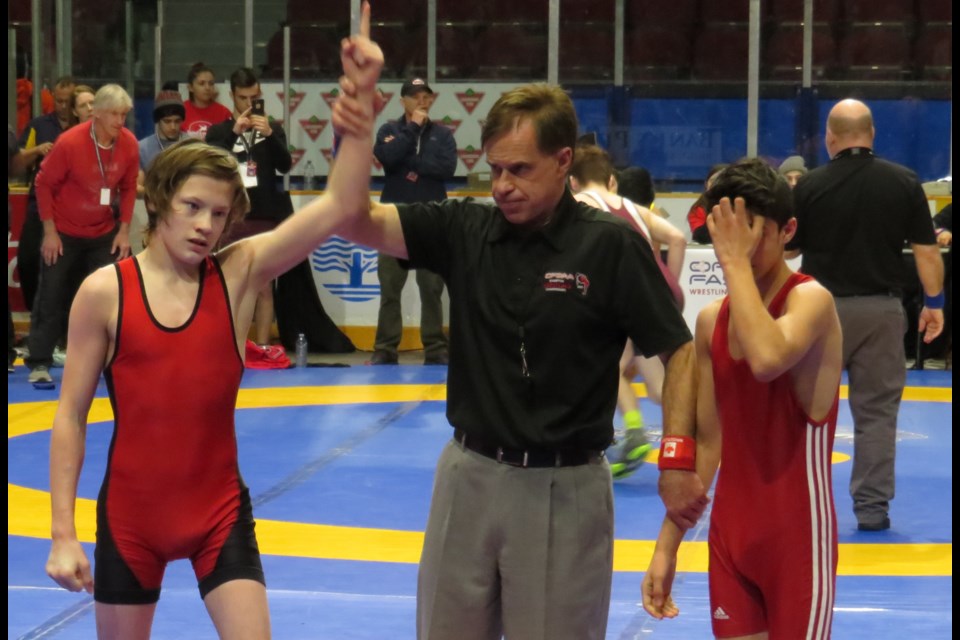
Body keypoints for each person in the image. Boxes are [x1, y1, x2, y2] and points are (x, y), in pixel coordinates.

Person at [44, 7, 382, 636]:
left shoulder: (237, 274)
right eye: (192, 206)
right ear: (158, 202)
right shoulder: (105, 292)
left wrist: (359, 110)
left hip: (219, 513)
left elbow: (340, 205)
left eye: (219, 214)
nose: (205, 225)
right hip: (130, 519)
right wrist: (62, 534)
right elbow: (68, 414)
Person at [334, 79, 696, 639]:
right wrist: (356, 132)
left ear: (563, 162)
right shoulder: (465, 229)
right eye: (495, 169)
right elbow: (356, 220)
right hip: (467, 478)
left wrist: (675, 459)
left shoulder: (610, 246)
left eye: (520, 170)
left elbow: (682, 353)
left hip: (564, 488)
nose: (502, 185)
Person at [642, 157, 843, 639]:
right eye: (724, 232)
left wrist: (732, 263)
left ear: (788, 230)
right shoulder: (712, 321)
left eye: (750, 231)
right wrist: (668, 545)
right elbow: (710, 443)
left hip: (798, 540)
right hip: (732, 536)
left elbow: (768, 357)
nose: (735, 246)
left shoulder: (811, 300)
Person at [790, 99, 944, 531]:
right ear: (872, 134)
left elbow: (788, 248)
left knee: (805, 409)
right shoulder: (904, 182)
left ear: (829, 137)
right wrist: (934, 306)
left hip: (818, 309)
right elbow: (928, 253)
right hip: (880, 310)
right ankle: (872, 509)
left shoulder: (809, 186)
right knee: (876, 413)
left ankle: (798, 498)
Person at [568, 144, 687, 479]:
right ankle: (698, 429)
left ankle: (636, 430)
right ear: (611, 181)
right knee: (653, 383)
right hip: (656, 295)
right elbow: (677, 238)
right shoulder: (632, 208)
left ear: (572, 182)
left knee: (609, 368)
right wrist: (666, 291)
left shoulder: (576, 204)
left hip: (622, 300)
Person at [25, 85, 140, 388]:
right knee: (51, 293)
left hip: (104, 230)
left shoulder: (128, 144)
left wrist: (125, 230)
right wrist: (50, 232)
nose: (120, 120)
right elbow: (43, 184)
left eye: (124, 114)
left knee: (110, 296)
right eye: (114, 113)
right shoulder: (70, 142)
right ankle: (39, 361)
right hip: (63, 230)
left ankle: (111, 358)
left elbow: (128, 188)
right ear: (96, 112)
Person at [370, 77, 457, 365]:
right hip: (393, 217)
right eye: (415, 95)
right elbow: (387, 157)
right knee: (390, 287)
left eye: (425, 96)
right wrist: (413, 129)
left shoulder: (443, 135)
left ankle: (434, 346)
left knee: (432, 287)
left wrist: (412, 167)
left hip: (432, 217)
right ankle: (385, 346)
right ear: (403, 100)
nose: (421, 100)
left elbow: (446, 168)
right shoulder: (389, 130)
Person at [206, 67, 294, 350]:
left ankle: (264, 347)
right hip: (231, 215)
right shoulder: (219, 131)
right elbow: (213, 164)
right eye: (243, 98)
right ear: (232, 96)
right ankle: (231, 344)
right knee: (230, 283)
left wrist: (269, 133)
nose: (248, 104)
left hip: (265, 213)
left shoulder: (271, 129)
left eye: (253, 97)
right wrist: (234, 134)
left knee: (264, 285)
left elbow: (285, 165)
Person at [17, 76, 78, 315]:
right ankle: (36, 313)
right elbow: (18, 160)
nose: (62, 106)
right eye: (59, 100)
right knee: (28, 261)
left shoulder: (82, 128)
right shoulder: (38, 125)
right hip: (39, 207)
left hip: (71, 209)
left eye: (67, 101)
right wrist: (37, 150)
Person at [138, 90, 188, 178]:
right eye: (167, 121)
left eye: (177, 121)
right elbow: (138, 186)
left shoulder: (193, 145)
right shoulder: (143, 149)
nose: (173, 126)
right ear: (158, 120)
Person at [182, 62, 232, 140]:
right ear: (190, 87)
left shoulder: (224, 112)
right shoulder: (181, 110)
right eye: (201, 84)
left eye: (211, 83)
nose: (207, 88)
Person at [687, 163, 728, 244]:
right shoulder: (697, 209)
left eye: (721, 181)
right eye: (713, 181)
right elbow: (700, 238)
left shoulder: (738, 206)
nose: (716, 185)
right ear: (706, 184)